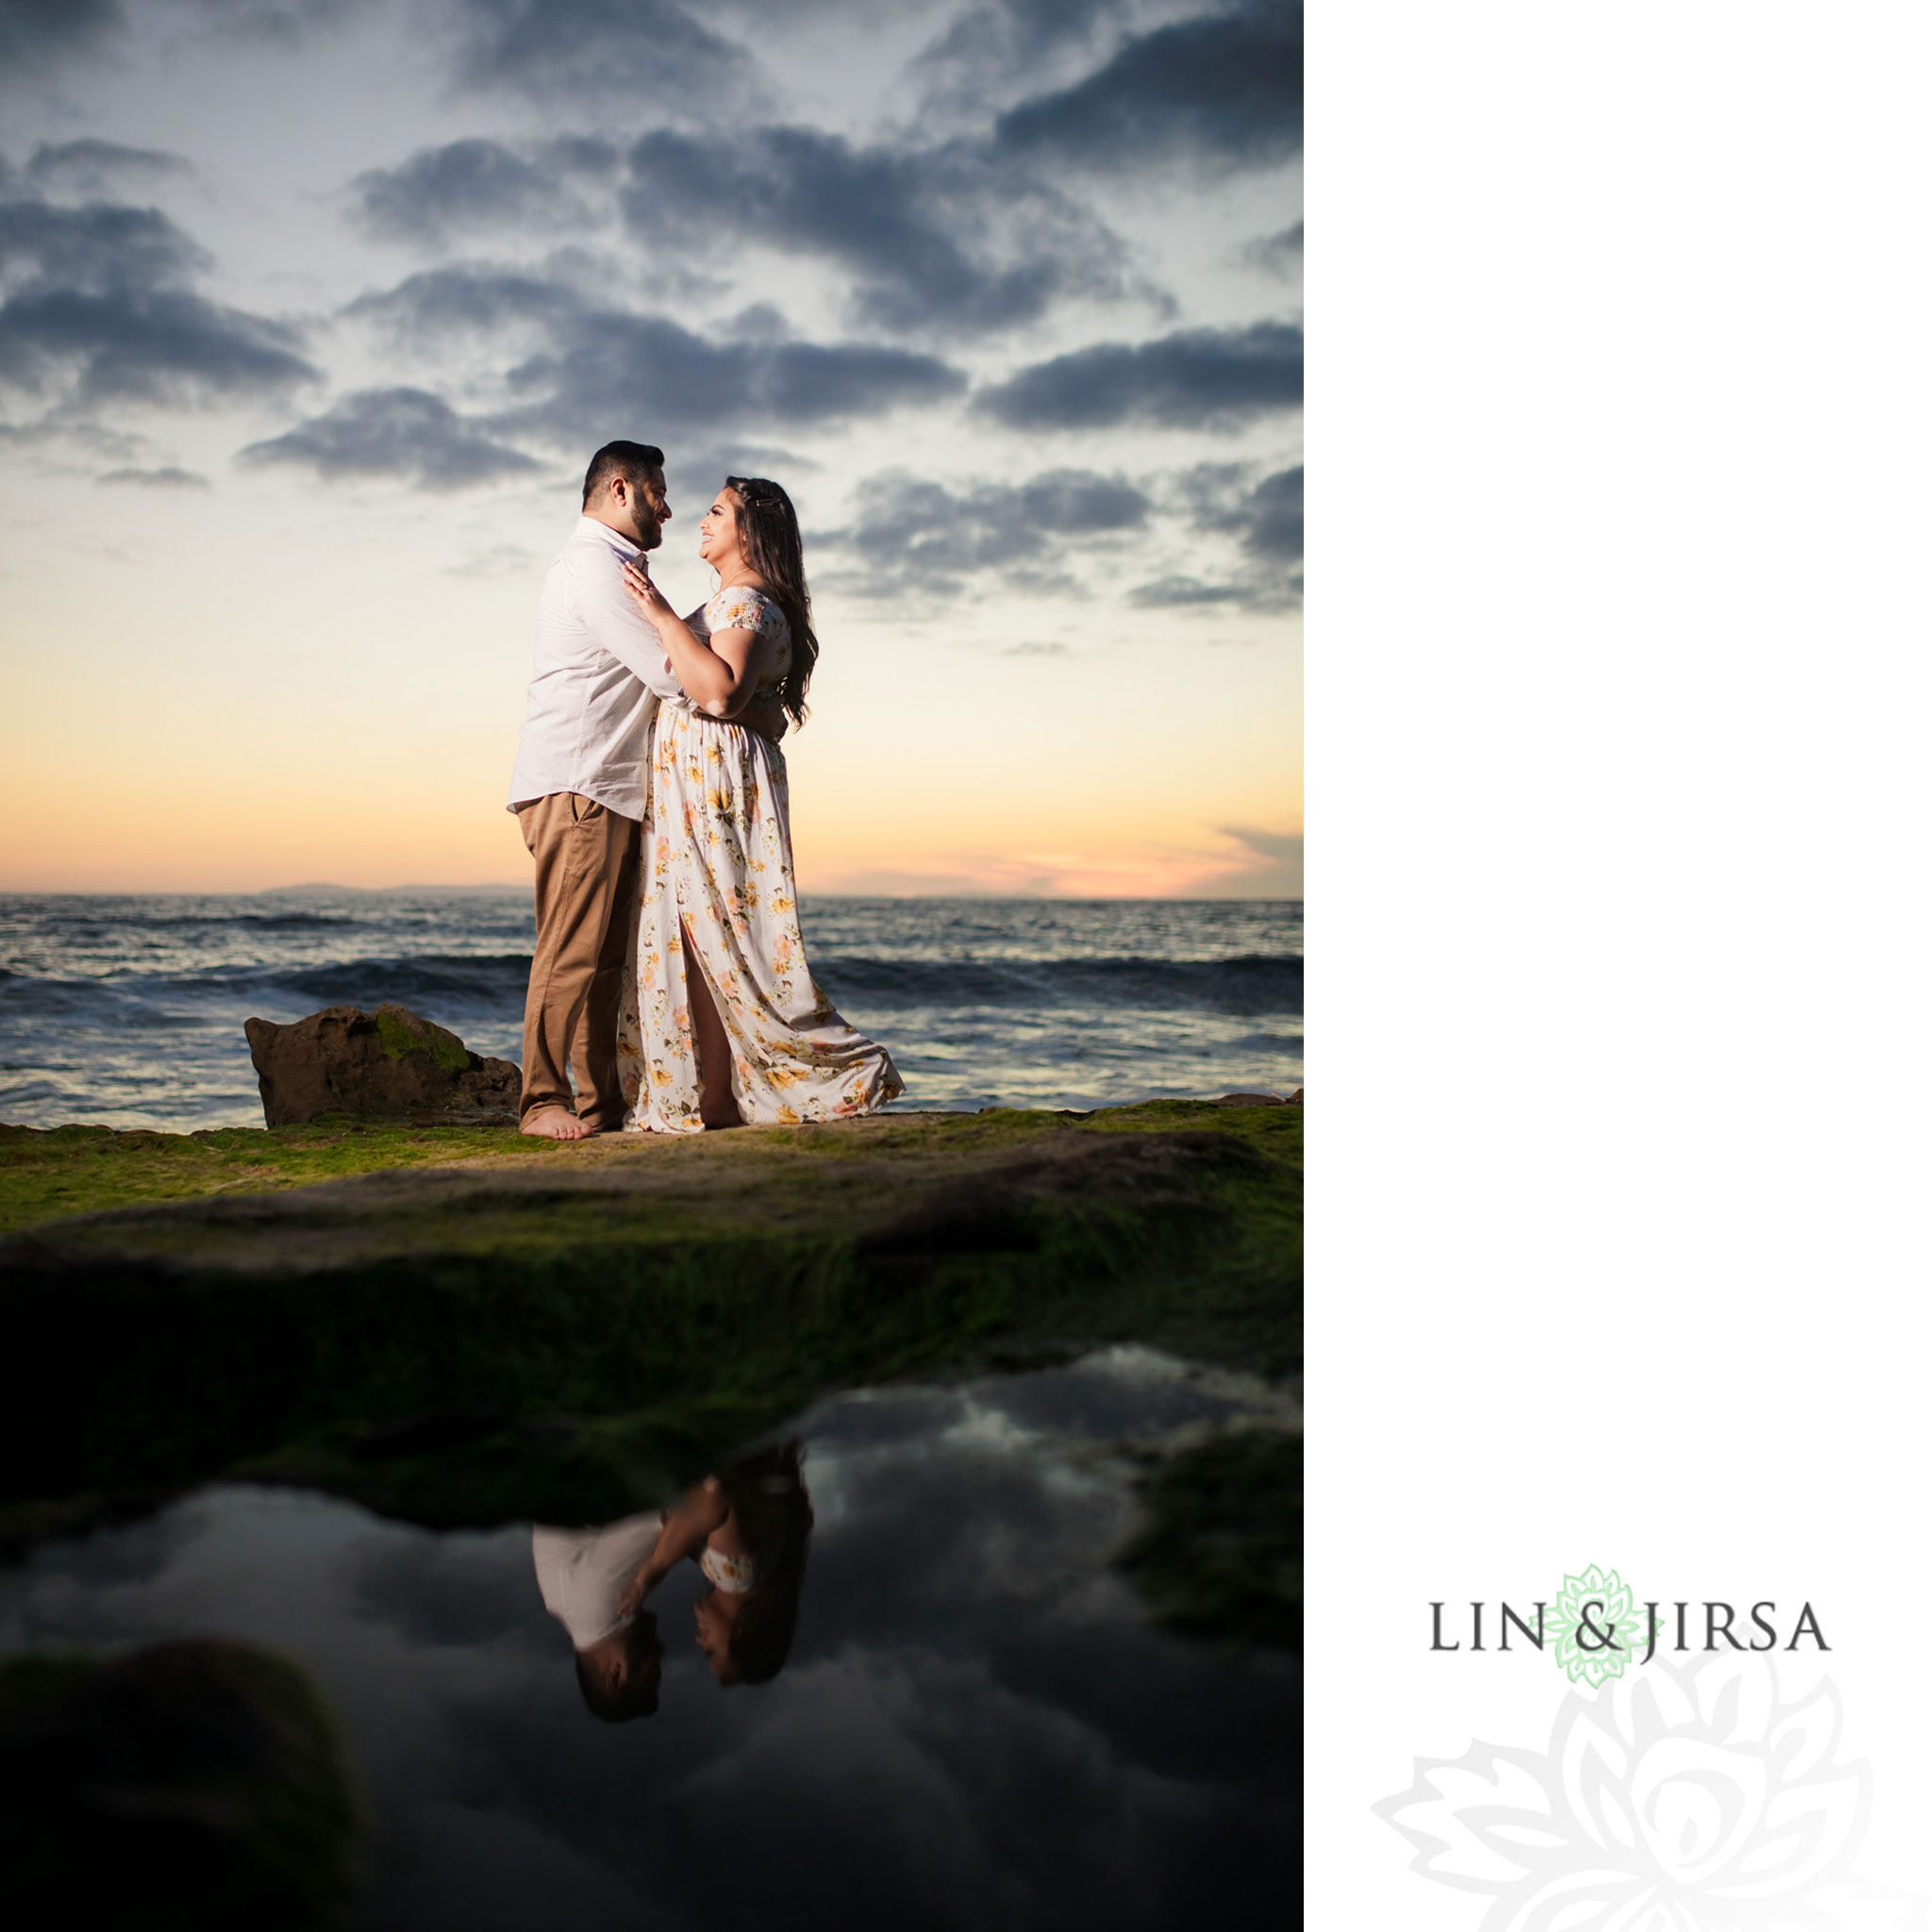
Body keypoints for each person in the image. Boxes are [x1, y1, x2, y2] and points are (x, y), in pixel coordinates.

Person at [505, 442, 789, 1141]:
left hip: (612, 786)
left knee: (605, 962)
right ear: (622, 490)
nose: (669, 507)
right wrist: (752, 707)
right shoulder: (596, 567)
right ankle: (540, 1100)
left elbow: (697, 661)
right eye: (658, 492)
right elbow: (672, 672)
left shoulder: (623, 568)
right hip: (582, 781)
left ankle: (601, 1106)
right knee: (570, 951)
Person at [613, 476, 903, 1132]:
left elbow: (719, 693)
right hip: (711, 777)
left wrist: (658, 613)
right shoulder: (743, 600)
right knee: (711, 935)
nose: (701, 521)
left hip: (709, 781)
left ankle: (804, 1076)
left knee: (714, 933)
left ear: (750, 532)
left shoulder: (743, 601)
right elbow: (753, 704)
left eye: (717, 512)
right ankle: (716, 1096)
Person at [618, 1443, 814, 1687]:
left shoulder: (760, 1567)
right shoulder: (737, 1575)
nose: (701, 1641)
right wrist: (654, 1569)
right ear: (742, 1635)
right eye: (712, 1651)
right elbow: (715, 1494)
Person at [530, 1507, 669, 1722]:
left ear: (615, 1674)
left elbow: (687, 1505)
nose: (661, 1650)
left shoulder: (594, 1604)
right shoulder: (575, 1611)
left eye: (652, 1671)